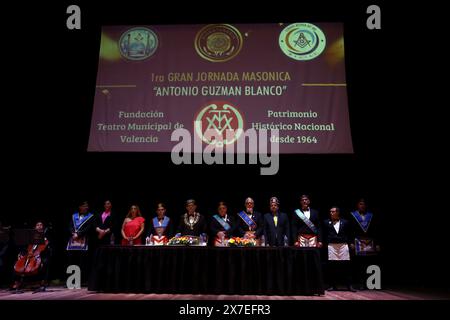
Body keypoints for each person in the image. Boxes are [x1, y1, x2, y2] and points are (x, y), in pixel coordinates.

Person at [349, 198, 381, 290]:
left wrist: (377, 243)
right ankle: (357, 283)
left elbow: (376, 230)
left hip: (369, 243)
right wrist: (351, 242)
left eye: (363, 204)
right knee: (357, 264)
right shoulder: (353, 215)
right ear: (357, 205)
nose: (362, 206)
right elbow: (350, 230)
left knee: (368, 263)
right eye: (360, 204)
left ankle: (369, 283)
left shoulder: (371, 216)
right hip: (357, 243)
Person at [12, 221, 51, 293]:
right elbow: (24, 248)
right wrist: (21, 254)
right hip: (28, 255)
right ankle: (16, 283)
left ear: (43, 227)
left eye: (41, 225)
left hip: (40, 256)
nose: (39, 226)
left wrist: (42, 252)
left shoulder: (46, 238)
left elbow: (46, 250)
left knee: (45, 262)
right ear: (35, 228)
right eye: (37, 225)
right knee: (17, 263)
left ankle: (42, 284)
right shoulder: (30, 238)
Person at [323, 207, 355, 292]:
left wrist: (351, 242)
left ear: (338, 212)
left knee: (346, 266)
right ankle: (332, 286)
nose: (331, 213)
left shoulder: (345, 222)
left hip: (343, 245)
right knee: (332, 266)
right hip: (332, 245)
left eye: (333, 211)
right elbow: (324, 234)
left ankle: (349, 286)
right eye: (330, 211)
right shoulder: (326, 222)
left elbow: (350, 233)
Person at [66, 200, 95, 285]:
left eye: (87, 206)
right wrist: (73, 233)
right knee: (72, 259)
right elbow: (70, 226)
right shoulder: (74, 216)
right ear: (80, 207)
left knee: (82, 261)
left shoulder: (90, 217)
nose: (87, 207)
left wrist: (78, 234)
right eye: (85, 206)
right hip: (73, 241)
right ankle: (72, 280)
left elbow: (89, 228)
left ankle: (82, 281)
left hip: (83, 240)